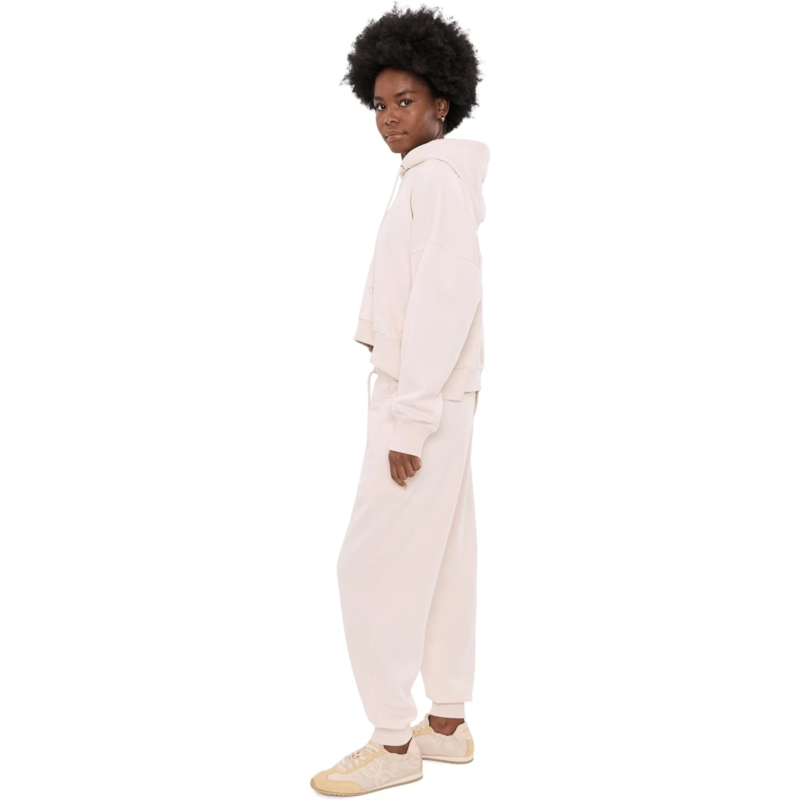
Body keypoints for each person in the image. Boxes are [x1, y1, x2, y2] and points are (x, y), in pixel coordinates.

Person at [310, 4, 489, 795]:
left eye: (405, 101)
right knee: (444, 558)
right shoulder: (429, 179)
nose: (389, 117)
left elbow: (444, 303)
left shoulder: (436, 182)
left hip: (421, 402)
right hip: (439, 398)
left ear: (442, 101)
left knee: (368, 567)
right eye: (380, 103)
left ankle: (391, 741)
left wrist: (409, 418)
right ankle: (445, 724)